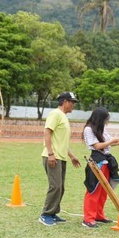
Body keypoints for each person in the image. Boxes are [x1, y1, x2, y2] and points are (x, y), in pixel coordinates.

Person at [82, 107, 119, 228]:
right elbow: (97, 145)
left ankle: (99, 215)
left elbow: (112, 142)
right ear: (99, 118)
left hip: (106, 162)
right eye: (105, 119)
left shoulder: (101, 128)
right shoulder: (88, 129)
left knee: (104, 191)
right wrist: (111, 142)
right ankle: (88, 219)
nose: (106, 122)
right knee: (94, 190)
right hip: (96, 162)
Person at [39, 91, 81, 226]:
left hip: (61, 157)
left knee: (61, 187)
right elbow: (47, 133)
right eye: (72, 102)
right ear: (64, 101)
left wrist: (72, 156)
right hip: (53, 157)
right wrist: (51, 154)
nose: (73, 105)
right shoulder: (55, 114)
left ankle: (53, 212)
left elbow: (61, 141)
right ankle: (45, 214)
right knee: (55, 186)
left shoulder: (63, 117)